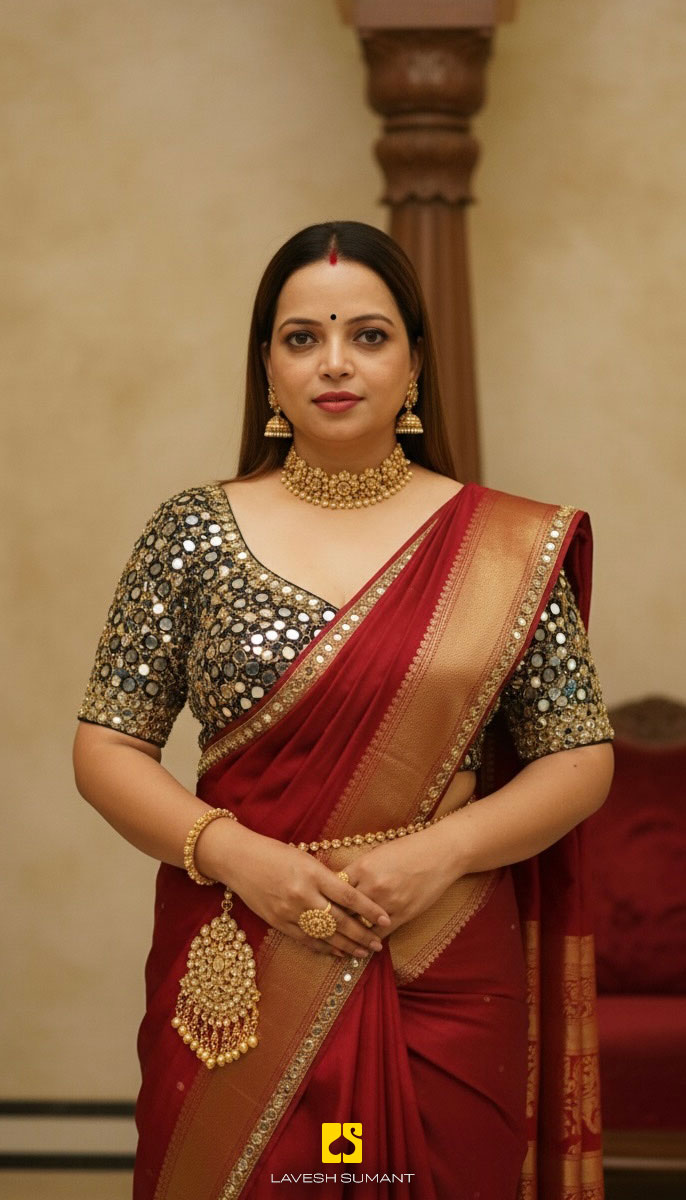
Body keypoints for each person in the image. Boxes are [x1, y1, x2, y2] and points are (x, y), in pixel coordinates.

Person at [73, 220, 615, 1200]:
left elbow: (576, 759)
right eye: (300, 338)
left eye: (367, 335)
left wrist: (434, 855)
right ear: (267, 372)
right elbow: (106, 745)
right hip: (242, 956)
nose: (334, 362)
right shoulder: (190, 534)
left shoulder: (502, 543)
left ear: (413, 364)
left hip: (440, 963)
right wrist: (243, 858)